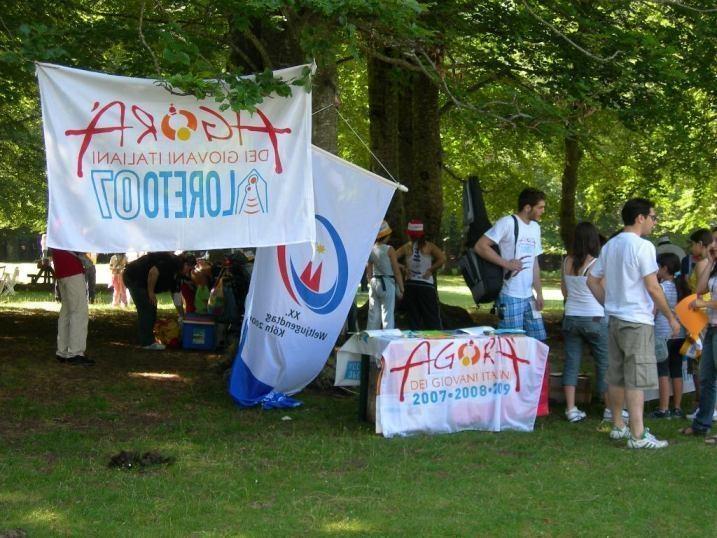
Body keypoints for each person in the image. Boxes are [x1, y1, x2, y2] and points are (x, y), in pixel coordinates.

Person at [587, 198, 680, 449]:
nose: (654, 222)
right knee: (637, 377)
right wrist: (671, 317)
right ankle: (638, 435)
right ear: (640, 218)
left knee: (616, 376)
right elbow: (653, 287)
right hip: (637, 321)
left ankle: (618, 426)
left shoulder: (610, 245)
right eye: (653, 217)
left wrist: (609, 303)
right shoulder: (643, 246)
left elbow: (591, 280)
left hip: (614, 320)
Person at [474, 188, 546, 341]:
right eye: (540, 207)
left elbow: (534, 263)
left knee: (538, 341)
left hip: (529, 297)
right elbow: (480, 246)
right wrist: (506, 263)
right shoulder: (507, 222)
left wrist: (539, 293)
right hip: (510, 295)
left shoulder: (535, 227)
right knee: (512, 343)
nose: (542, 211)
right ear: (527, 207)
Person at [560, 222, 610, 422]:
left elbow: (564, 291)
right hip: (595, 317)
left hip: (571, 316)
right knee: (604, 363)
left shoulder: (567, 261)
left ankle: (571, 409)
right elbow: (603, 292)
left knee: (572, 362)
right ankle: (609, 408)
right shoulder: (597, 263)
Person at [123, 252, 194, 350]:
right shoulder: (171, 262)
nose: (188, 273)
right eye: (189, 269)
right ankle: (147, 343)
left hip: (141, 281)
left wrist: (182, 315)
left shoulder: (178, 274)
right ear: (185, 264)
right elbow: (153, 272)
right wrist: (151, 292)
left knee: (151, 307)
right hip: (134, 277)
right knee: (147, 308)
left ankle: (148, 339)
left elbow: (176, 295)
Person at [683, 241, 717, 442]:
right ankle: (701, 425)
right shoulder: (714, 267)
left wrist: (703, 303)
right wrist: (710, 262)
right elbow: (701, 289)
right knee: (706, 378)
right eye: (713, 241)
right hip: (712, 328)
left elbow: (702, 299)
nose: (713, 245)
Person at [651, 252, 687, 418]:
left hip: (663, 333)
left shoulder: (661, 288)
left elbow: (654, 311)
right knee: (677, 370)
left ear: (664, 268)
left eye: (658, 266)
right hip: (680, 334)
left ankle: (663, 408)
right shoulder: (681, 287)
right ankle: (677, 407)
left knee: (663, 371)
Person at [395, 220, 445, 330]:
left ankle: (414, 338)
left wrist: (403, 267)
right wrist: (431, 270)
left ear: (409, 234)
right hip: (426, 285)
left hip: (410, 285)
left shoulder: (406, 247)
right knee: (431, 316)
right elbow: (442, 258)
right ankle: (436, 337)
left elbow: (391, 258)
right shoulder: (429, 246)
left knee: (413, 318)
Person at [51, 249, 93, 366]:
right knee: (79, 312)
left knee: (66, 312)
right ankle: (75, 353)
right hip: (72, 269)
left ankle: (62, 351)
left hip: (61, 269)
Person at [366, 221, 404, 330]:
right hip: (387, 283)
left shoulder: (371, 249)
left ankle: (371, 337)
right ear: (386, 236)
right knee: (387, 315)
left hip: (374, 283)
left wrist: (370, 283)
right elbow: (396, 271)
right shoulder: (389, 249)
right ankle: (387, 337)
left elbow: (368, 271)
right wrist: (401, 288)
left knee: (373, 315)